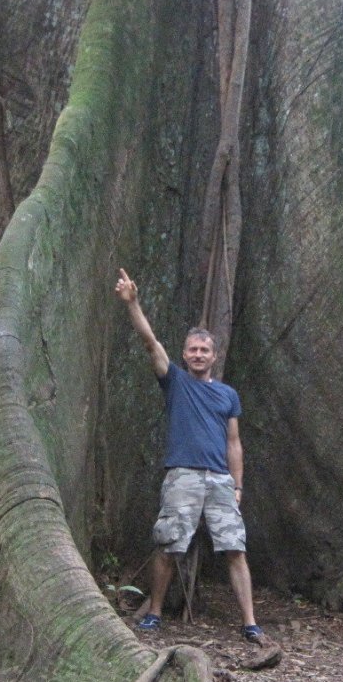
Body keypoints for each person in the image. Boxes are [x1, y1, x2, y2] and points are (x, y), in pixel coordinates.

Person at [114, 268, 266, 643]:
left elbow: (234, 443)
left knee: (235, 549)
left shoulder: (228, 395)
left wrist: (238, 486)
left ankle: (249, 622)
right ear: (184, 354)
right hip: (182, 475)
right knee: (168, 546)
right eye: (193, 350)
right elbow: (150, 343)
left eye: (205, 350)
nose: (198, 355)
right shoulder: (175, 381)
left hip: (219, 480)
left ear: (215, 356)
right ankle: (154, 612)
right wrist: (133, 304)